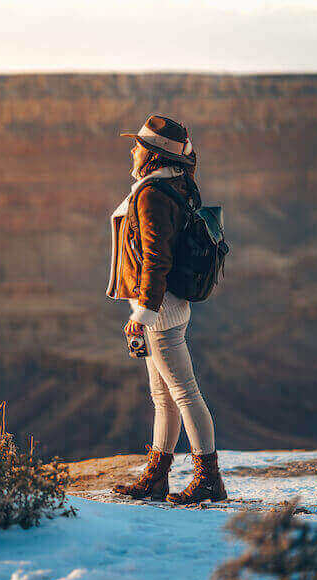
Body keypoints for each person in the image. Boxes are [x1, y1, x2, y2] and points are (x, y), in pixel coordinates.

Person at [106, 115, 227, 504]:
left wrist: (142, 314)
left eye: (139, 145)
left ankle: (208, 478)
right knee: (164, 397)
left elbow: (156, 259)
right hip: (165, 308)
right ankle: (156, 477)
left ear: (154, 155)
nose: (133, 149)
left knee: (184, 393)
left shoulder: (152, 194)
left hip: (160, 312)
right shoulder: (172, 186)